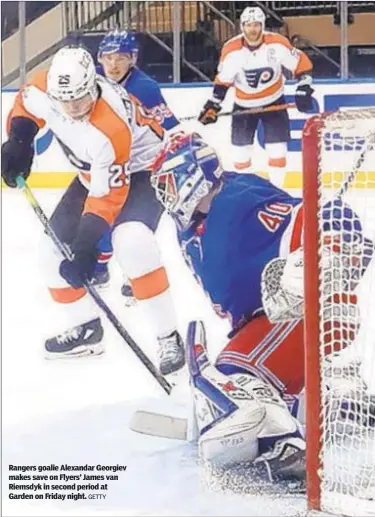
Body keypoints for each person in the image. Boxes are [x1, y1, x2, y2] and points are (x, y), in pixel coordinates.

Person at [150, 132, 373, 479]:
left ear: (190, 176)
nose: (164, 195)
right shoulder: (195, 221)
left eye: (166, 183)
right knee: (233, 371)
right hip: (267, 321)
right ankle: (332, 393)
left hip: (304, 313)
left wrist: (333, 249)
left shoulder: (238, 201)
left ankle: (284, 445)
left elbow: (324, 217)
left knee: (235, 378)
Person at [1, 45, 185, 376]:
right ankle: (86, 329)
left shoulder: (109, 127)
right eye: (65, 100)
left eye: (80, 99)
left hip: (144, 169)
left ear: (93, 86)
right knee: (49, 254)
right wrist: (19, 141)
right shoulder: (47, 87)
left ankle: (167, 335)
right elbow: (26, 107)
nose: (72, 108)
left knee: (132, 241)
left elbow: (106, 198)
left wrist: (86, 248)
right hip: (93, 172)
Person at [93, 29, 181, 307]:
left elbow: (170, 126)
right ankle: (100, 265)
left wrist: (181, 140)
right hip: (113, 164)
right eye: (108, 57)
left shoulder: (146, 88)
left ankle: (139, 273)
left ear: (133, 59)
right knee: (103, 215)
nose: (114, 64)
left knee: (137, 226)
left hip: (146, 166)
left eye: (121, 58)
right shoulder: (93, 84)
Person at [198, 6, 314, 188]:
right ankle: (246, 192)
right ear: (242, 26)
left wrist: (303, 88)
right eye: (248, 25)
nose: (253, 29)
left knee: (277, 151)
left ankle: (277, 192)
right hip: (244, 106)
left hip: (274, 102)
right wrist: (213, 105)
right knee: (240, 154)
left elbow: (301, 65)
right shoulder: (231, 50)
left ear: (263, 25)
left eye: (257, 25)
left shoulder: (277, 44)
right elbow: (223, 82)